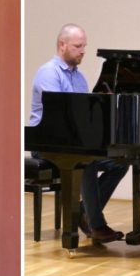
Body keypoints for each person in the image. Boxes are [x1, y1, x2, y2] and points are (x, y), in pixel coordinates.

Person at [29, 24, 126, 244]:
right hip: (47, 144)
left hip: (72, 142)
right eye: (78, 46)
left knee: (120, 162)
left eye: (84, 46)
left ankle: (83, 211)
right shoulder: (48, 73)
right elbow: (59, 116)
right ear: (62, 45)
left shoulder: (80, 78)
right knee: (86, 160)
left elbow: (81, 117)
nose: (83, 51)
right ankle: (97, 225)